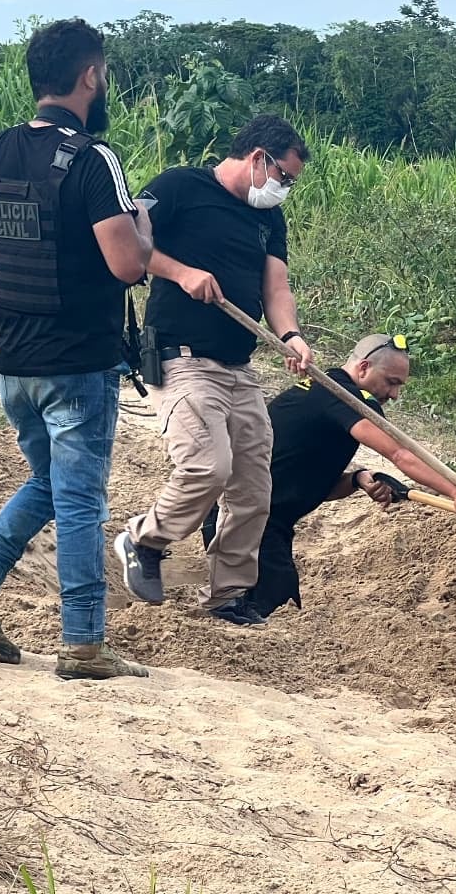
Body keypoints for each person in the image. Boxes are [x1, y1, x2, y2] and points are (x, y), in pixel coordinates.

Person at [0, 18, 154, 680]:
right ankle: (83, 643)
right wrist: (143, 227)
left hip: (15, 364)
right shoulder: (92, 159)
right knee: (81, 500)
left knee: (49, 484)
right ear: (90, 76)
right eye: (103, 74)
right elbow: (127, 266)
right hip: (78, 366)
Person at [113, 114, 315, 626]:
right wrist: (182, 273)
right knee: (208, 465)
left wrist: (291, 336)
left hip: (239, 367)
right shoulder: (180, 186)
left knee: (253, 488)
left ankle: (228, 593)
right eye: (284, 177)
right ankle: (144, 540)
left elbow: (276, 287)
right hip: (182, 358)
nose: (284, 189)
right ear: (258, 158)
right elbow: (126, 243)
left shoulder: (268, 219)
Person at [202, 333, 456, 619]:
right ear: (363, 368)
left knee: (280, 602)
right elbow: (401, 454)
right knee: (272, 607)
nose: (394, 394)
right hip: (245, 520)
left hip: (257, 520)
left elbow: (302, 482)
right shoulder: (344, 397)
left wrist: (357, 479)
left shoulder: (322, 390)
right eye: (391, 382)